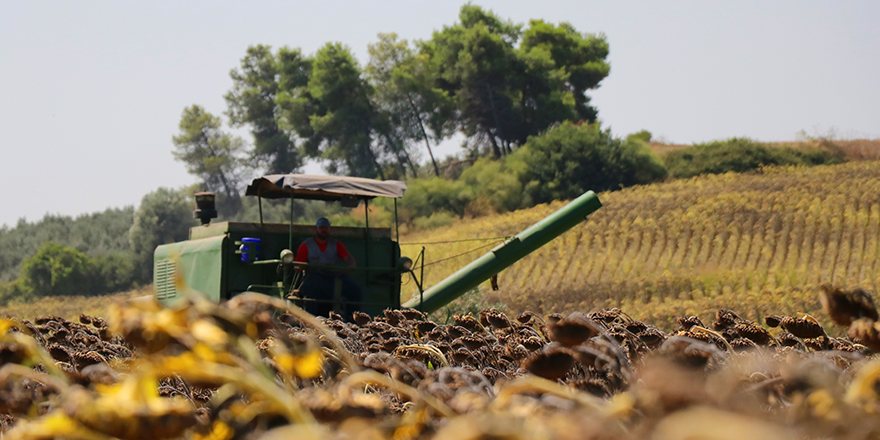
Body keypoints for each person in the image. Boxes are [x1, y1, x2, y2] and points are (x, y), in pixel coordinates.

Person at [290, 217, 362, 318]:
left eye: (326, 228)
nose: (324, 230)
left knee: (355, 289)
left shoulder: (336, 244)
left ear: (329, 229)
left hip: (332, 277)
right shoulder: (306, 245)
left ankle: (353, 321)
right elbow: (299, 264)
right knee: (310, 290)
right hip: (313, 276)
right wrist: (300, 267)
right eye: (321, 228)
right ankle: (310, 321)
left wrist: (350, 266)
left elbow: (349, 259)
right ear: (316, 229)